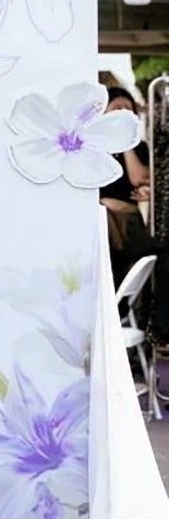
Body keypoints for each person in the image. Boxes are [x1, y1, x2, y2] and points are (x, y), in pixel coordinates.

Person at [100, 87, 167, 353]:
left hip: (128, 221)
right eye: (116, 107)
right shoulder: (93, 144)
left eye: (127, 107)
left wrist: (124, 141)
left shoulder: (138, 147)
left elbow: (138, 178)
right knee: (110, 265)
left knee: (158, 257)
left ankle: (156, 327)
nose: (123, 111)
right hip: (103, 220)